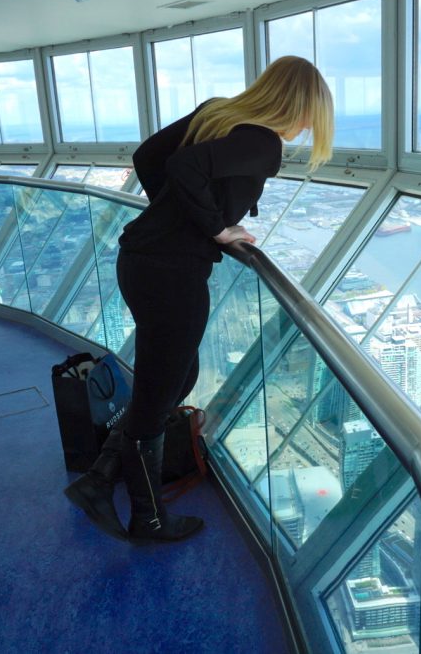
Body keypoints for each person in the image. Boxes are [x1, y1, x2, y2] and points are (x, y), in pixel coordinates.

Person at [65, 55, 334, 543]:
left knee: (175, 376)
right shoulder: (263, 143)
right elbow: (183, 165)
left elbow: (149, 157)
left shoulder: (219, 113)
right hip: (173, 272)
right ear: (301, 106)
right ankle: (146, 518)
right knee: (164, 384)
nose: (309, 127)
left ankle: (99, 479)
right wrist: (213, 228)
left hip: (141, 259)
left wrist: (174, 217)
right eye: (313, 115)